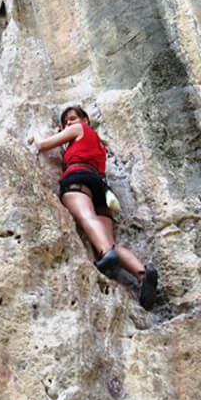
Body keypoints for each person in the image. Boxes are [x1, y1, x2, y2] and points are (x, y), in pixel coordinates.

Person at [28, 106, 159, 310]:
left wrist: (35, 135)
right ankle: (142, 274)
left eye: (72, 119)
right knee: (108, 243)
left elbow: (44, 145)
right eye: (66, 123)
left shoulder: (78, 128)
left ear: (85, 120)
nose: (69, 124)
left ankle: (107, 253)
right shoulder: (97, 143)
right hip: (102, 188)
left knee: (87, 217)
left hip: (78, 177)